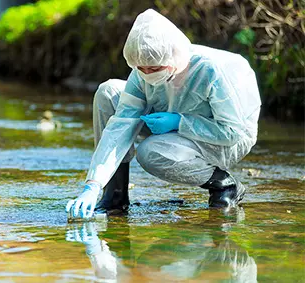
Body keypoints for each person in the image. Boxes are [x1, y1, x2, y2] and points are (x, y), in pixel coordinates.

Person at [66, 9, 261, 219]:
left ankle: (223, 184)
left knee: (149, 152)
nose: (148, 75)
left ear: (173, 58)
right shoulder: (142, 71)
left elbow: (233, 132)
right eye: (142, 68)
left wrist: (180, 122)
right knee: (109, 92)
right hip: (169, 117)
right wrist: (93, 184)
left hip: (224, 138)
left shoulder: (210, 71)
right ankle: (114, 195)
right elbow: (120, 126)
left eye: (155, 69)